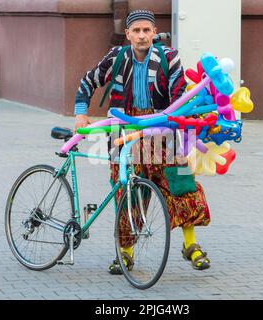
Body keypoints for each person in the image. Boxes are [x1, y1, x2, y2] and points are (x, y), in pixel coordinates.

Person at [74, 10, 211, 273]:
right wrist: (81, 114)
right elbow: (87, 82)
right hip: (123, 132)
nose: (141, 36)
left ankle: (191, 246)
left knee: (181, 183)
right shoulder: (116, 58)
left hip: (162, 129)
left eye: (146, 30)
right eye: (136, 31)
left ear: (153, 32)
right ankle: (125, 254)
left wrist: (182, 147)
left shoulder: (169, 58)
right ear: (127, 35)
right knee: (126, 192)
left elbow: (180, 102)